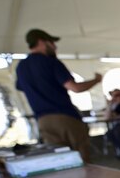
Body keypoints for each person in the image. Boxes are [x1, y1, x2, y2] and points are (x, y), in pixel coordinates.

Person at [15, 29, 102, 162]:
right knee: (82, 160)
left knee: (60, 162)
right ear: (42, 42)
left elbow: (21, 87)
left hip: (43, 121)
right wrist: (96, 80)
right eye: (52, 43)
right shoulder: (51, 63)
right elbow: (75, 88)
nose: (55, 47)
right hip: (66, 118)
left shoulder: (21, 67)